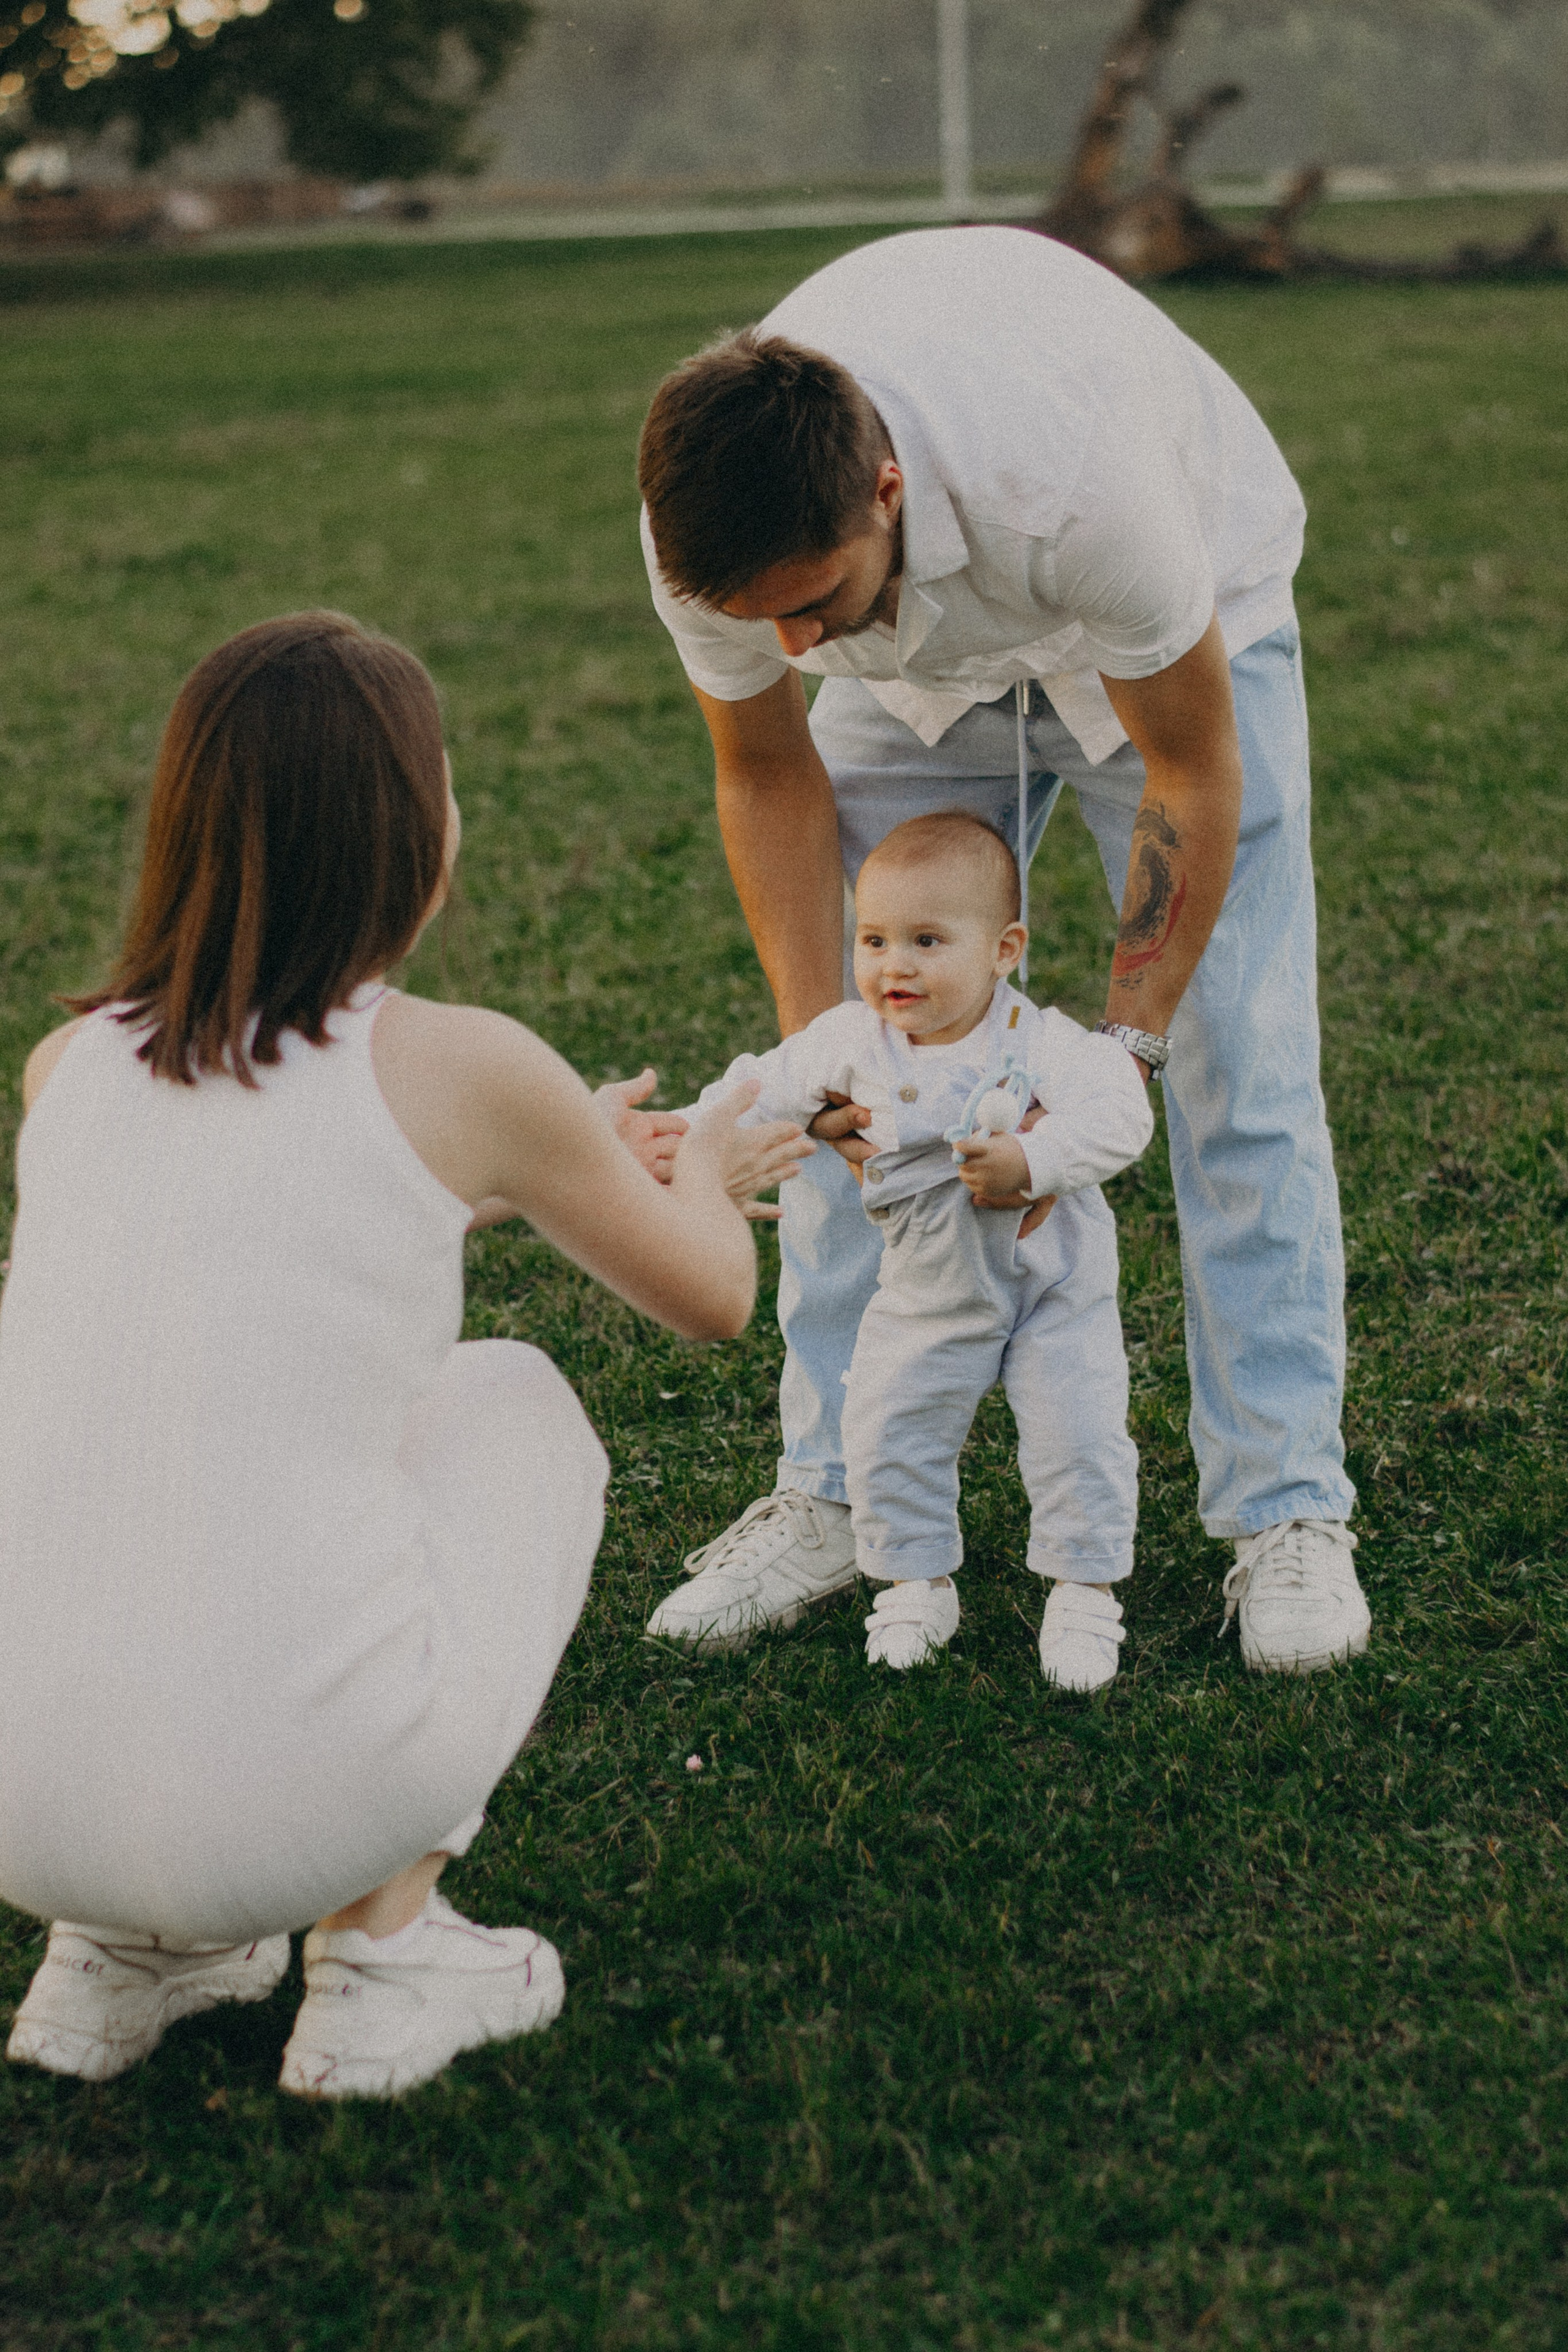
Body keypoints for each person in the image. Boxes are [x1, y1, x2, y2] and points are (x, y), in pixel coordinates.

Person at [0, 612, 804, 2100]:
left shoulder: (69, 1069)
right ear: (410, 834)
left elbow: (278, 1225)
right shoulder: (463, 1063)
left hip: (21, 1813)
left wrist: (546, 1170)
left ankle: (114, 1956)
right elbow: (712, 1299)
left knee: (138, 1439)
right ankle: (382, 1957)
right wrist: (697, 1163)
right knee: (513, 1401)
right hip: (295, 1806)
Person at [636, 224, 1370, 1677]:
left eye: (810, 601)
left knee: (1241, 1065)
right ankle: (833, 1491)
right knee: (867, 1065)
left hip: (1161, 637)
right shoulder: (708, 541)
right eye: (753, 618)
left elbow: (1189, 772)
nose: (783, 645)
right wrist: (823, 1068)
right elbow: (766, 771)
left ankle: (1284, 1510)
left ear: (887, 493)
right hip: (911, 678)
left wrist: (1125, 1049)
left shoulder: (1077, 485)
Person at [650, 811, 1151, 1685]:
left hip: (1050, 1287)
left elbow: (1122, 1113)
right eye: (874, 939)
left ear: (1004, 951)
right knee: (889, 1427)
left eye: (927, 940)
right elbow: (759, 1085)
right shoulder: (850, 1041)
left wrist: (1037, 1160)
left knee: (1078, 1434)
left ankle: (1085, 1590)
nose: (896, 965)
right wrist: (686, 1133)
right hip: (927, 1287)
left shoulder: (1041, 1042)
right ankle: (914, 1582)